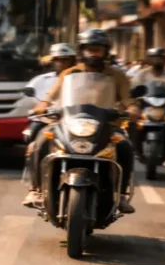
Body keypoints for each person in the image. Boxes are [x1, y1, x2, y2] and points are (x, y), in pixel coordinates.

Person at [22, 29, 135, 213]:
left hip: (106, 125)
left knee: (125, 146)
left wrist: (132, 110)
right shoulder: (69, 73)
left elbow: (128, 99)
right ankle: (36, 191)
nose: (93, 53)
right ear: (82, 51)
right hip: (69, 122)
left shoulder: (117, 75)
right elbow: (51, 96)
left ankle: (121, 195)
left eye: (97, 49)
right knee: (40, 141)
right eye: (90, 49)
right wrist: (42, 106)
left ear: (105, 51)